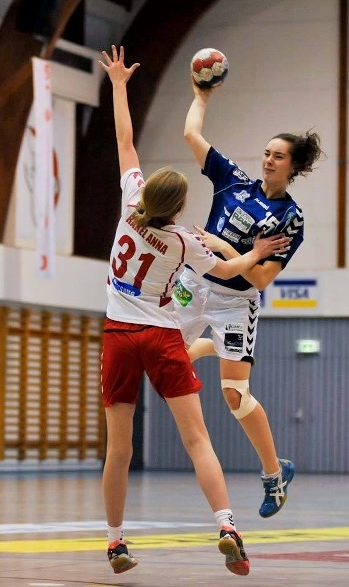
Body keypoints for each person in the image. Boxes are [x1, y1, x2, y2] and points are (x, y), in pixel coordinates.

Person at [98, 45, 290, 576]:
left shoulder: (127, 210)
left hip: (118, 334)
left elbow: (125, 143)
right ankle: (227, 525)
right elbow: (229, 273)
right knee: (197, 438)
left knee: (119, 451)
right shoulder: (183, 242)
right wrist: (253, 252)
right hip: (161, 338)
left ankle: (116, 543)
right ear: (178, 208)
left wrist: (118, 85)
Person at [174, 78, 323, 519]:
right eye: (266, 152)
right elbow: (191, 136)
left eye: (278, 156)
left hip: (236, 302)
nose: (268, 160)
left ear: (293, 167)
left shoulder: (289, 218)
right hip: (196, 282)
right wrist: (201, 96)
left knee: (235, 395)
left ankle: (275, 474)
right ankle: (204, 346)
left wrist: (223, 247)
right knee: (166, 352)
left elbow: (259, 278)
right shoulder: (233, 182)